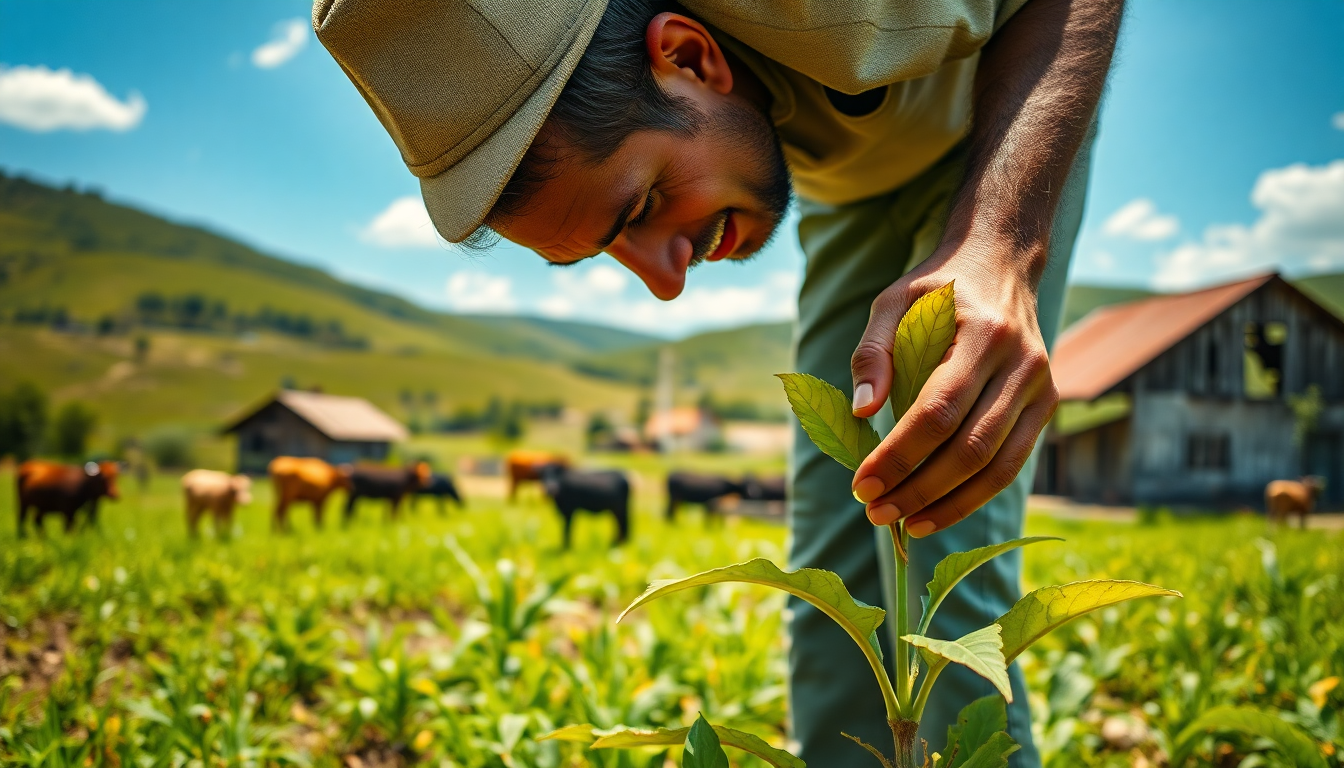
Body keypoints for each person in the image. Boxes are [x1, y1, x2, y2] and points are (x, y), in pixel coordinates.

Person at [312, 0, 1120, 764]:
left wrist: (1002, 242)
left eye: (639, 208)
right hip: (849, 191)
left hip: (1004, 123)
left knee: (942, 537)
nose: (666, 285)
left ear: (689, 58)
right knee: (832, 561)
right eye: (604, 250)